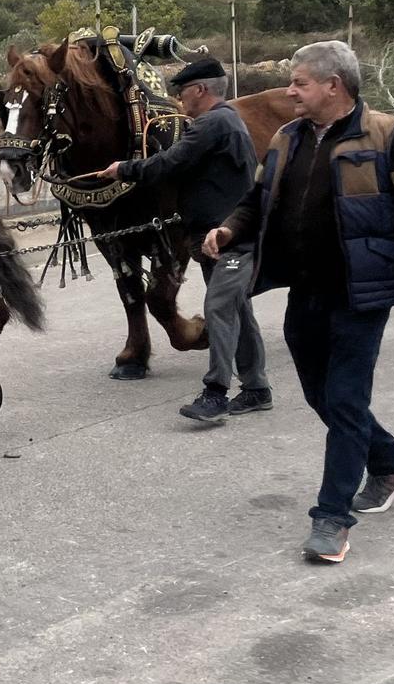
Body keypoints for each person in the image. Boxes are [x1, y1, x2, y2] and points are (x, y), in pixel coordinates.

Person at [203, 41, 394, 565]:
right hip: (305, 287)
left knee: (343, 399)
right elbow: (257, 200)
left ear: (333, 86)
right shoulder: (286, 137)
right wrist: (229, 229)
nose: (289, 91)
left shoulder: (392, 137)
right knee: (323, 396)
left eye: (299, 82)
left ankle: (331, 518)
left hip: (362, 293)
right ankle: (391, 465)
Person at [95, 55, 270, 426]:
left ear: (200, 90)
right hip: (222, 235)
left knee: (220, 309)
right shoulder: (227, 120)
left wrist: (123, 169)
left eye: (183, 92)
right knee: (238, 310)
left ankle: (216, 393)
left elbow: (170, 162)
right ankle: (256, 388)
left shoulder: (210, 124)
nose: (179, 100)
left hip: (225, 238)